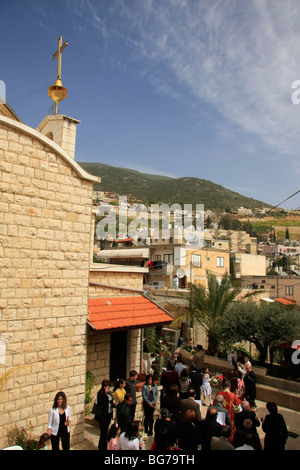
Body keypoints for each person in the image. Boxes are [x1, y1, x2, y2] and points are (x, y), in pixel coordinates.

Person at [95, 379, 114, 451]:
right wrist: (105, 395)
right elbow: (100, 402)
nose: (107, 387)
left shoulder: (109, 393)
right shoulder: (101, 393)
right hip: (103, 415)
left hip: (108, 414)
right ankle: (102, 447)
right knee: (103, 432)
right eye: (105, 386)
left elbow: (111, 401)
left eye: (108, 386)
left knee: (105, 432)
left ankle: (102, 446)